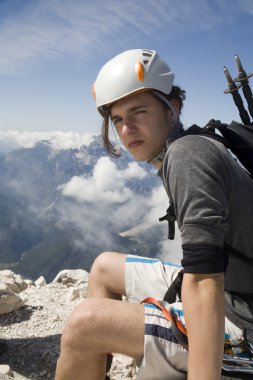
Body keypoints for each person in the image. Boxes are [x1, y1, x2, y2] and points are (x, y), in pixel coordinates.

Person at [55, 49, 253, 380]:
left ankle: (89, 346)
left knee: (84, 323)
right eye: (117, 118)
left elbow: (204, 281)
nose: (126, 128)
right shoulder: (196, 143)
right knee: (104, 267)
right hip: (235, 294)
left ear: (173, 107)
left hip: (243, 329)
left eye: (138, 111)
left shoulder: (187, 155)